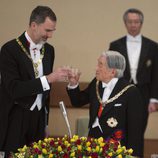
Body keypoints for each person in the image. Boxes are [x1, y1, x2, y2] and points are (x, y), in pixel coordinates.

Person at [0, 6, 69, 156]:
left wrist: (45, 122)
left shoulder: (49, 50)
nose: (50, 35)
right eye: (47, 30)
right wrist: (49, 78)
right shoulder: (9, 49)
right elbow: (14, 88)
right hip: (16, 117)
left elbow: (46, 92)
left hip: (38, 118)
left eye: (52, 31)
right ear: (33, 25)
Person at [67, 50, 144, 157]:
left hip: (116, 147)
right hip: (93, 144)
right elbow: (78, 101)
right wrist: (73, 84)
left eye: (100, 65)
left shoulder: (131, 92)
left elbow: (135, 131)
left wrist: (133, 155)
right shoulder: (96, 83)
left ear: (112, 71)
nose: (96, 68)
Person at [109, 8, 158, 133]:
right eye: (130, 22)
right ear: (125, 23)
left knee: (139, 129)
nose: (133, 25)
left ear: (141, 23)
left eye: (136, 22)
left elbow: (156, 74)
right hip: (121, 91)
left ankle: (137, 154)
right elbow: (111, 71)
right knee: (119, 128)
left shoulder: (153, 46)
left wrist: (154, 99)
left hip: (144, 93)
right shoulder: (115, 45)